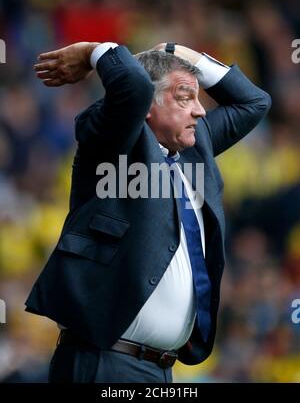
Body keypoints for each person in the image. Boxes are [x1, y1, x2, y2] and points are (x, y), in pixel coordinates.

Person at [25, 41, 271, 383]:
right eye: (185, 98)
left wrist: (177, 51)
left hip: (161, 369)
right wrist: (95, 51)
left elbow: (254, 102)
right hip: (104, 363)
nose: (200, 111)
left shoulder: (193, 149)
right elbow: (133, 85)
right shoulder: (114, 142)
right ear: (146, 107)